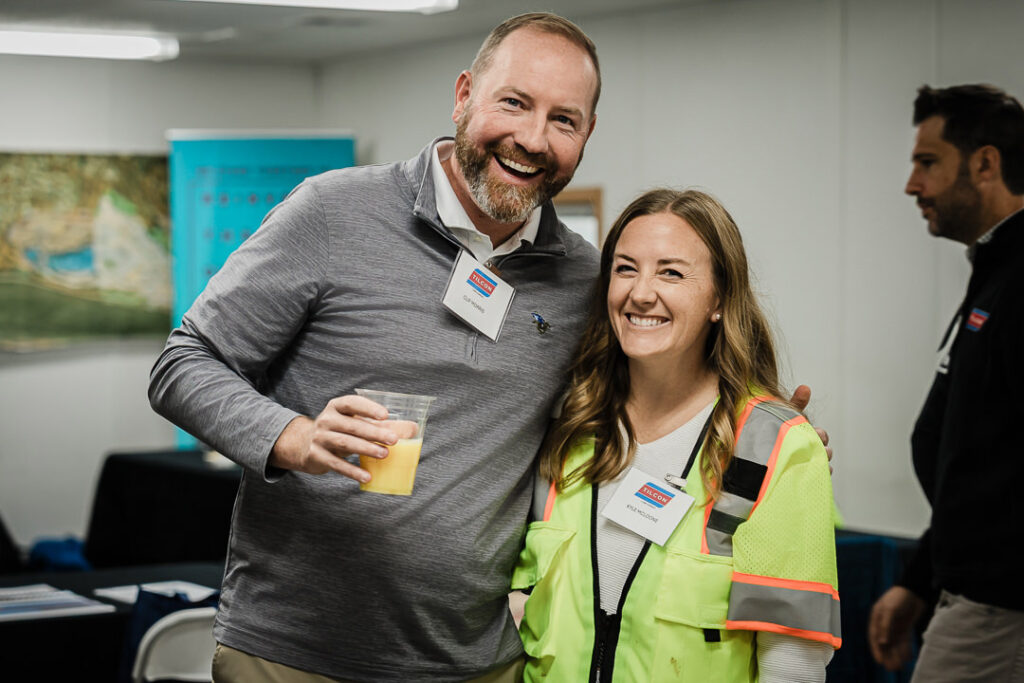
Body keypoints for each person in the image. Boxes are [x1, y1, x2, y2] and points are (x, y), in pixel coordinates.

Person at [150, 12, 828, 682]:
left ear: (587, 133)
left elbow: (643, 399)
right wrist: (290, 436)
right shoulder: (331, 212)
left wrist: (765, 444)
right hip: (296, 654)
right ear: (464, 95)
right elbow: (182, 362)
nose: (532, 138)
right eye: (514, 102)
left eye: (563, 119)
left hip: (478, 665)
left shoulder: (585, 278)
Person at [512, 189, 840, 682]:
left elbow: (791, 665)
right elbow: (524, 606)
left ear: (719, 299)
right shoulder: (570, 430)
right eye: (625, 268)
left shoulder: (777, 448)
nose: (641, 293)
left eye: (671, 272)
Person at [868, 84, 1024, 681]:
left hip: (999, 611)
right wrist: (921, 579)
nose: (912, 184)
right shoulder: (995, 271)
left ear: (985, 163)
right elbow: (986, 465)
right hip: (967, 594)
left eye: (927, 162)